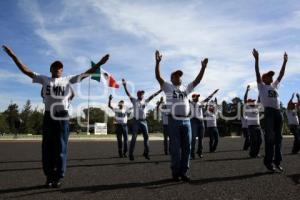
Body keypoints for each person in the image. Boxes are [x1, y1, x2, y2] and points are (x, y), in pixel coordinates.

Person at [2, 45, 109, 188]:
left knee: (60, 147)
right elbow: (25, 70)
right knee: (46, 147)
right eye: (55, 67)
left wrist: (100, 64)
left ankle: (58, 176)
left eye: (60, 68)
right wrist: (13, 55)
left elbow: (85, 73)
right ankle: (49, 176)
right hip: (48, 115)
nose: (58, 69)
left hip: (62, 117)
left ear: (62, 70)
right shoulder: (44, 79)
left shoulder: (67, 80)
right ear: (50, 69)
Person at [155, 50, 208, 182]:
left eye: (180, 76)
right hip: (174, 120)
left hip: (186, 120)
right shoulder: (167, 87)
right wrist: (157, 63)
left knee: (187, 147)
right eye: (176, 76)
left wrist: (203, 68)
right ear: (172, 78)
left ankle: (184, 172)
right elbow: (158, 77)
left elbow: (197, 81)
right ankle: (175, 171)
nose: (179, 77)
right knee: (175, 148)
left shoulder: (185, 88)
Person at [252, 48, 288, 172]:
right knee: (270, 138)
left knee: (279, 139)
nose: (271, 77)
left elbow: (281, 75)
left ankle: (277, 162)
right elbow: (257, 73)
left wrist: (285, 62)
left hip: (278, 113)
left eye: (271, 76)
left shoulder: (274, 86)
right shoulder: (261, 86)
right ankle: (268, 162)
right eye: (268, 76)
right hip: (268, 113)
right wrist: (257, 60)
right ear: (264, 79)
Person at [122, 79, 162, 161]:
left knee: (146, 137)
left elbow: (152, 96)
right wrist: (125, 85)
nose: (142, 95)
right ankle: (130, 154)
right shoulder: (134, 101)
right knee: (134, 137)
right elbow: (128, 94)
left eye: (143, 94)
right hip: (136, 121)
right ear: (138, 95)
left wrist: (160, 90)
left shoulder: (145, 101)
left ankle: (146, 153)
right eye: (141, 94)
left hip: (144, 121)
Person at [190, 89, 219, 159]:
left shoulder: (200, 103)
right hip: (193, 121)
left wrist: (214, 93)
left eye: (198, 97)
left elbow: (208, 98)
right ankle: (192, 154)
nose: (198, 98)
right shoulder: (190, 104)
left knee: (201, 138)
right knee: (193, 138)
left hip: (201, 122)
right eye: (196, 97)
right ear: (193, 98)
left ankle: (200, 152)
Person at [244, 85, 262, 158]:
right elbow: (245, 99)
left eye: (254, 102)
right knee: (254, 140)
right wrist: (247, 90)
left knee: (260, 140)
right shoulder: (247, 107)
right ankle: (252, 153)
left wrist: (260, 91)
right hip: (251, 127)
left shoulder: (257, 107)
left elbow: (259, 98)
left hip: (258, 126)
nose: (254, 102)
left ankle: (256, 153)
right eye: (252, 102)